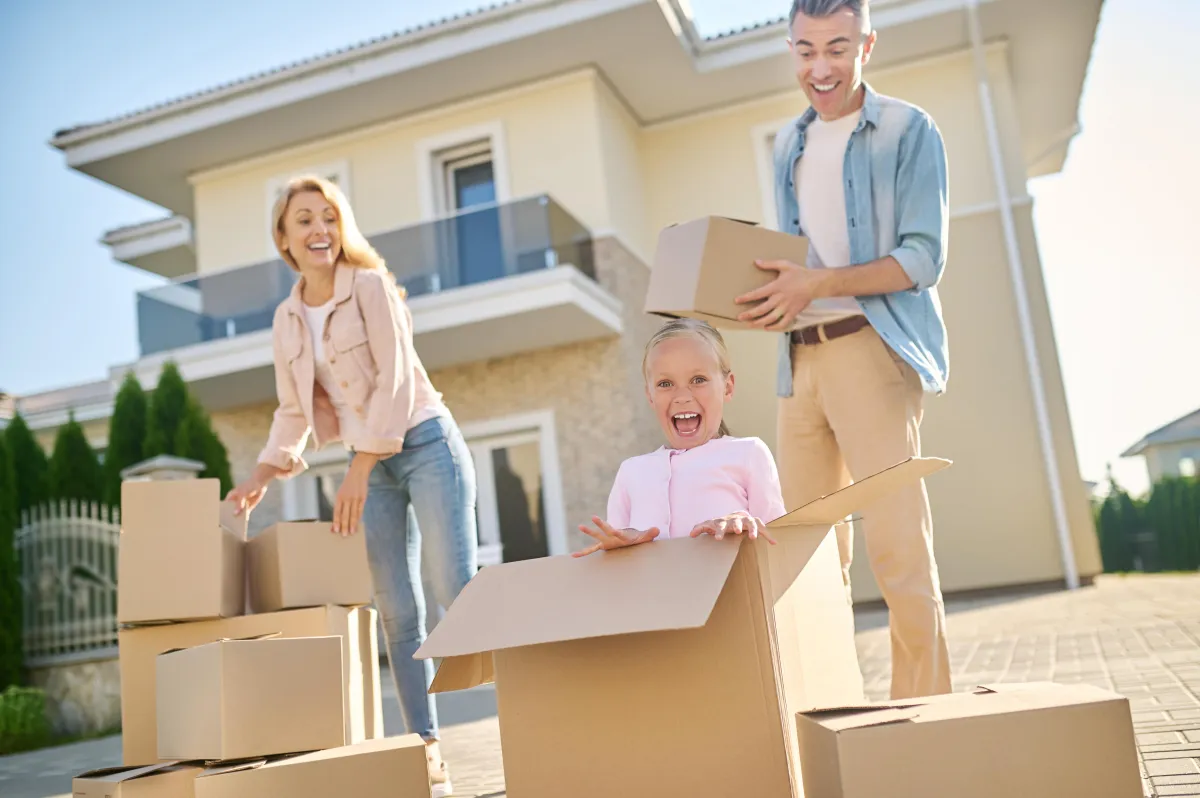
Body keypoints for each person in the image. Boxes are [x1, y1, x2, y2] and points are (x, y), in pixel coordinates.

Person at [225, 175, 476, 796]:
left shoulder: (370, 287)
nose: (319, 230)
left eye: (329, 217)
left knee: (456, 589)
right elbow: (293, 410)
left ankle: (531, 704)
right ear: (283, 237)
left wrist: (359, 468)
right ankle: (426, 750)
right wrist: (260, 474)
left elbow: (394, 380)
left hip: (423, 443)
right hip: (372, 467)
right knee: (396, 610)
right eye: (304, 220)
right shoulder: (286, 320)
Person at [734, 0, 953, 699]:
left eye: (837, 47)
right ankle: (823, 711)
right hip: (799, 362)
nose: (819, 67)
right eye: (804, 50)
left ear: (867, 44)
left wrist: (820, 284)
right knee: (803, 552)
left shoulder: (907, 131)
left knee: (897, 547)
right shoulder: (787, 145)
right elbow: (798, 262)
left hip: (870, 349)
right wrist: (778, 300)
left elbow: (922, 258)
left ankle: (922, 714)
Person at [575, 318, 785, 557]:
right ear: (650, 396)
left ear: (727, 387)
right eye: (665, 383)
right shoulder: (630, 472)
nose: (682, 396)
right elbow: (617, 567)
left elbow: (782, 549)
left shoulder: (749, 453)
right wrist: (621, 548)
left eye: (698, 380)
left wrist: (746, 526)